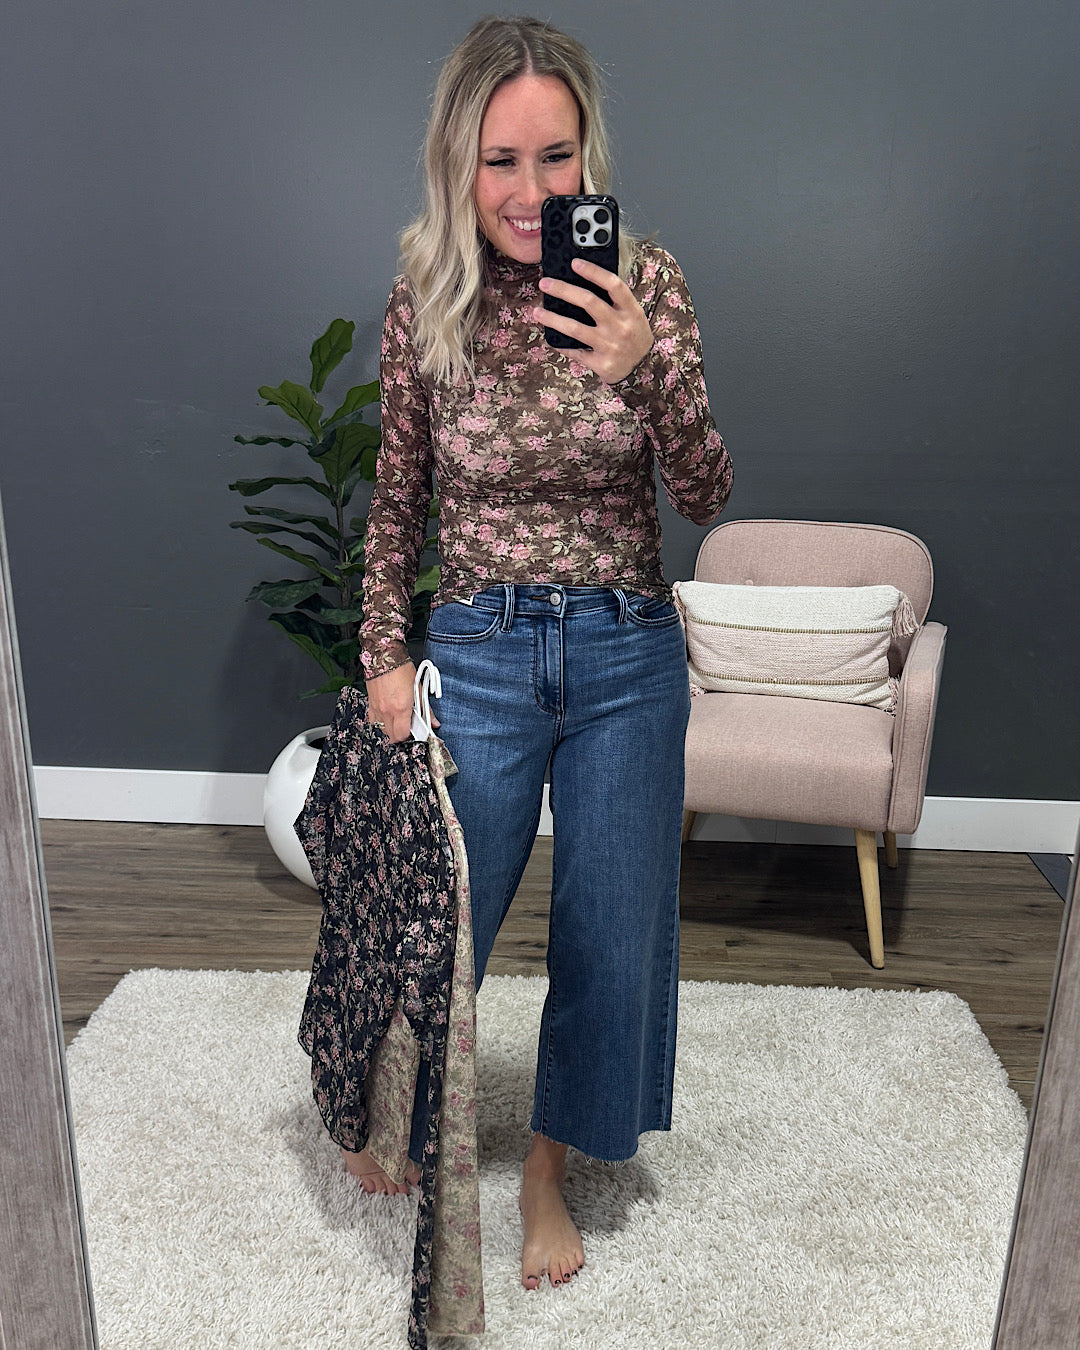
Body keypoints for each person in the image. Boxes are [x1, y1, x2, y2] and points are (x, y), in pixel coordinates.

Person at [355, 15, 733, 1292]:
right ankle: (396, 1101)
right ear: (458, 164)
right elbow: (396, 499)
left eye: (556, 156)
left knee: (608, 936)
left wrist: (647, 372)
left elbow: (707, 496)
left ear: (589, 154)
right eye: (501, 161)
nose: (532, 191)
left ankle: (544, 1172)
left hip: (628, 652)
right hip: (482, 646)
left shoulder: (646, 282)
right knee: (439, 917)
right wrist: (385, 658)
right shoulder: (427, 294)